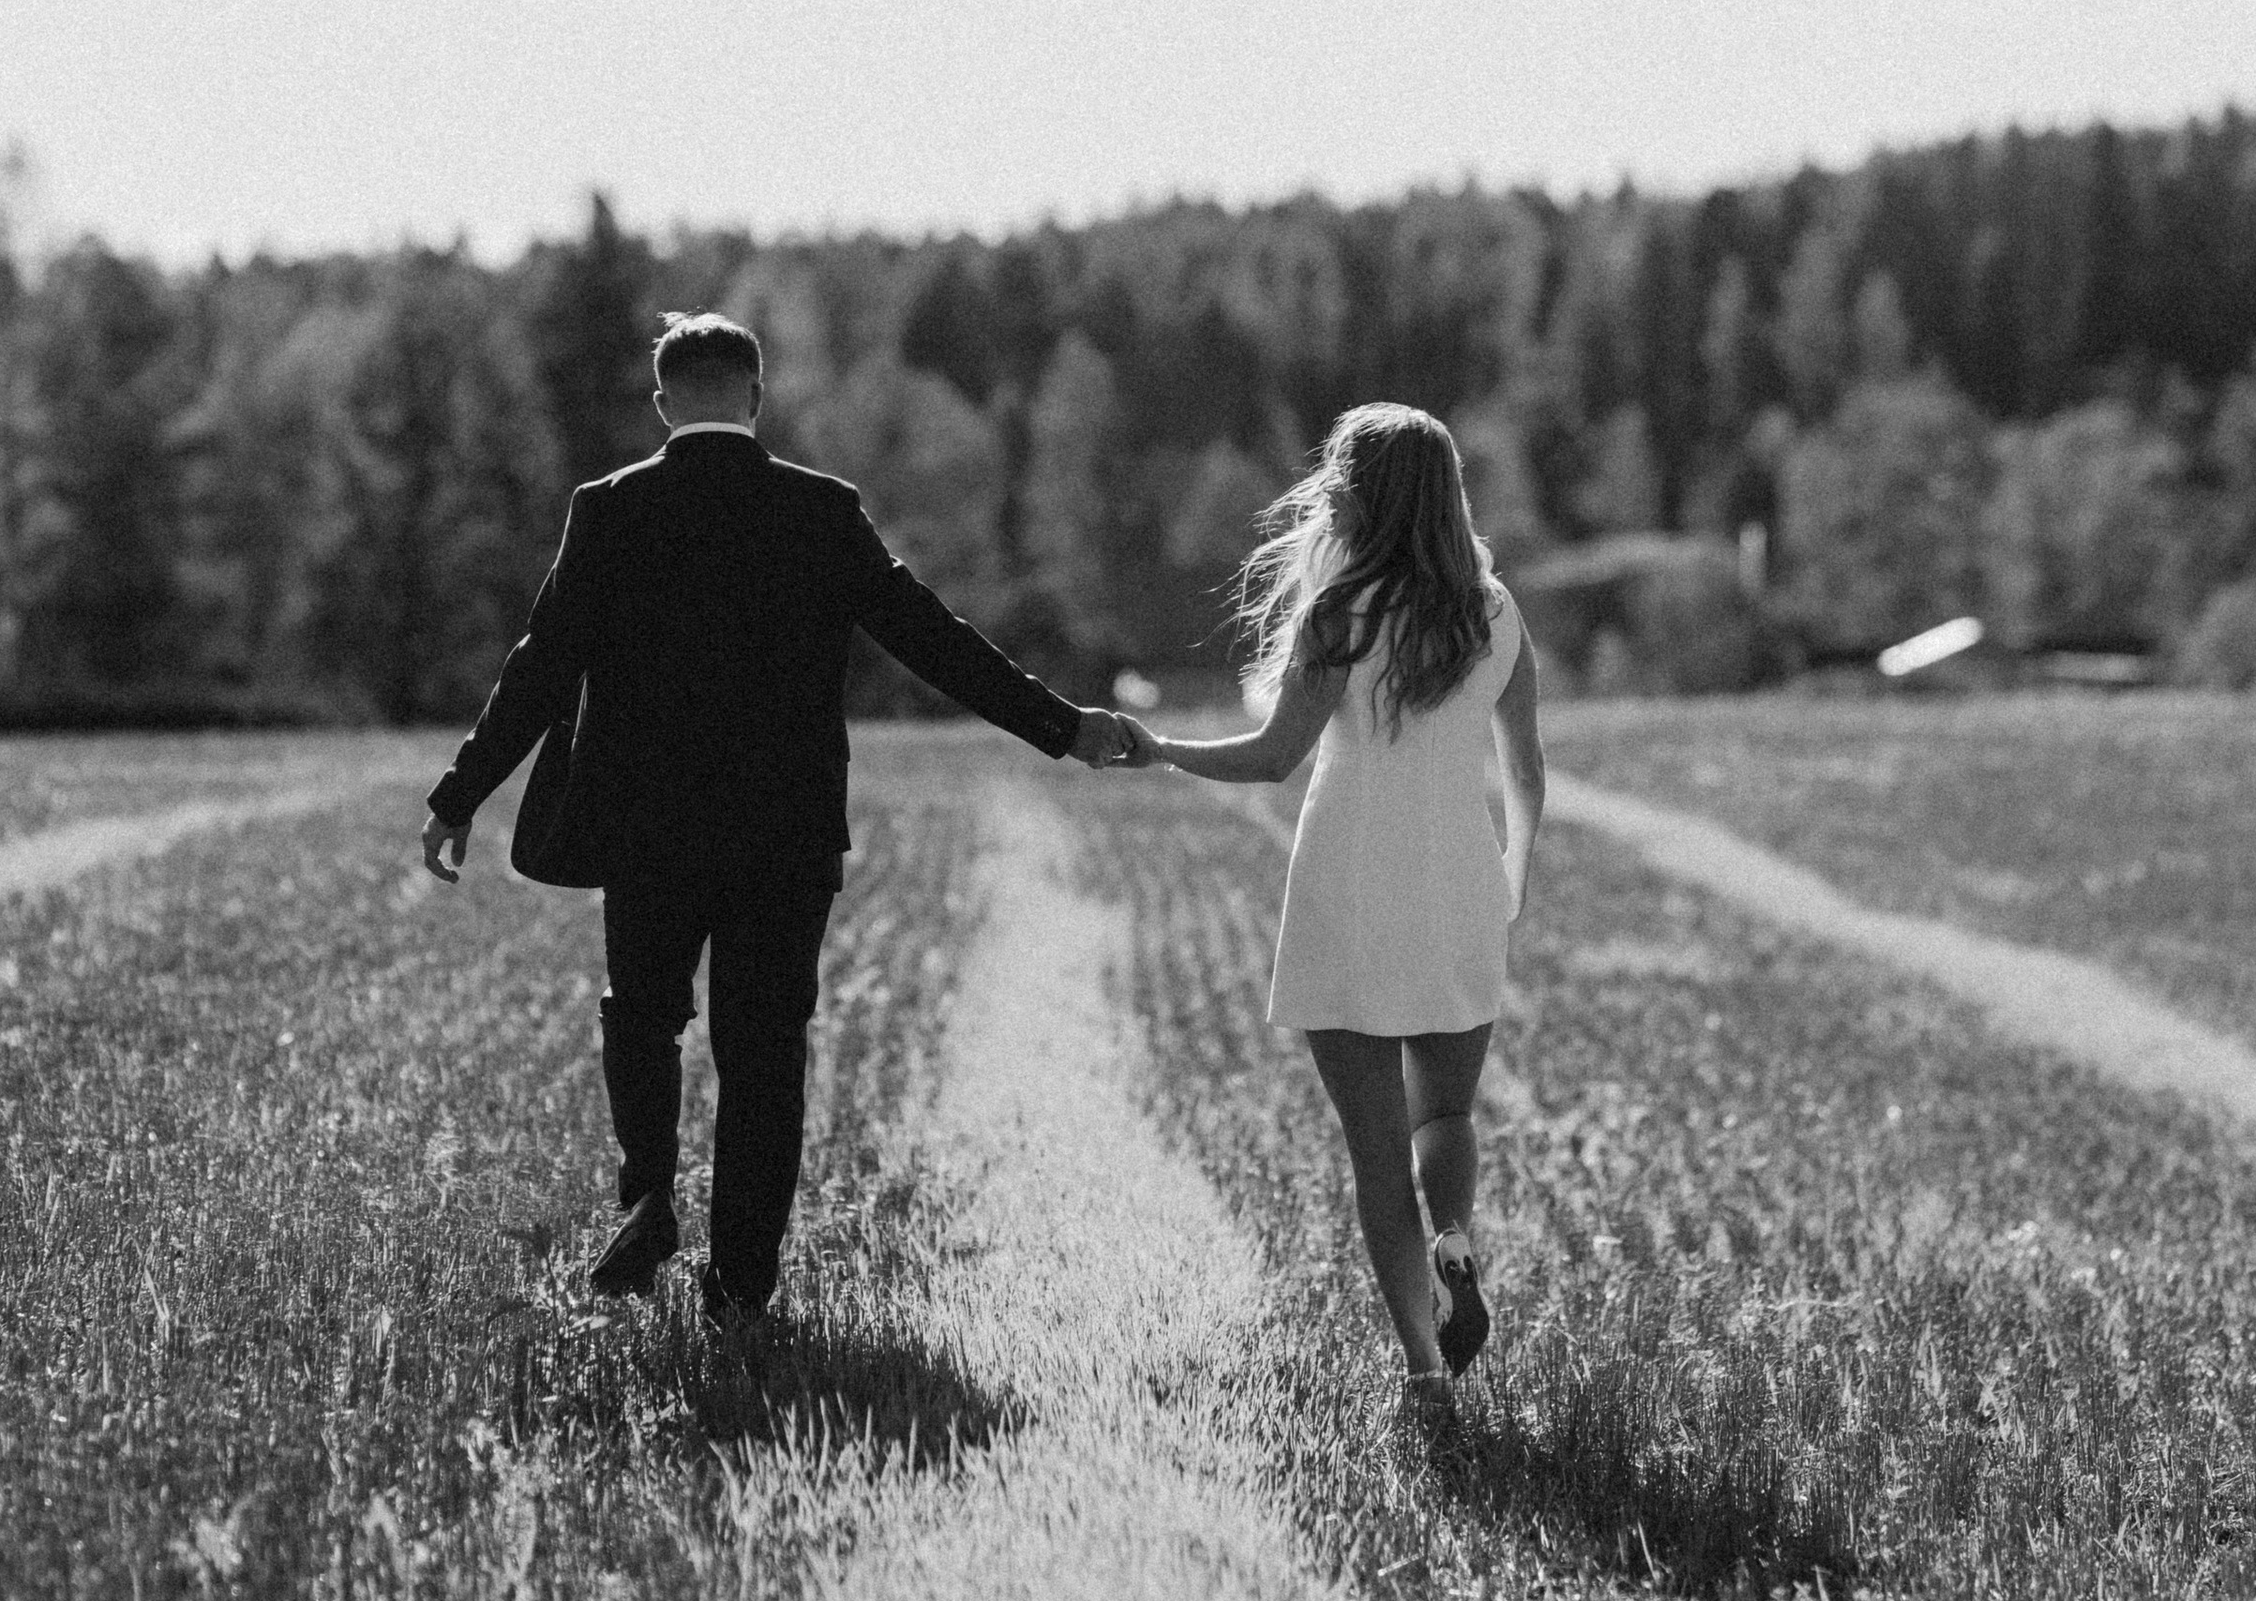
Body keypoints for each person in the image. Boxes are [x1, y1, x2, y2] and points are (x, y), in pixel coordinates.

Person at [420, 310, 1132, 1320]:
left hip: (648, 829)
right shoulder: (820, 512)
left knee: (642, 1015)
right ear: (755, 397)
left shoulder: (609, 510)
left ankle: (650, 1190)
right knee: (764, 1058)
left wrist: (459, 795)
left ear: (664, 403)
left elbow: (541, 667)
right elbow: (935, 642)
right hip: (784, 836)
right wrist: (1063, 727)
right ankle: (741, 1291)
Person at [1120, 405, 1543, 1402]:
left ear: (1353, 496)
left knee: (1373, 1154)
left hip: (1351, 877)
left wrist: (1160, 747)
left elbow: (1272, 758)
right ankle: (1455, 1238)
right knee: (1444, 1111)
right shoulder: (1494, 611)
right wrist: (1509, 881)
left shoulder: (1339, 612)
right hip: (1461, 879)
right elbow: (1525, 769)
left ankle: (1425, 1369)